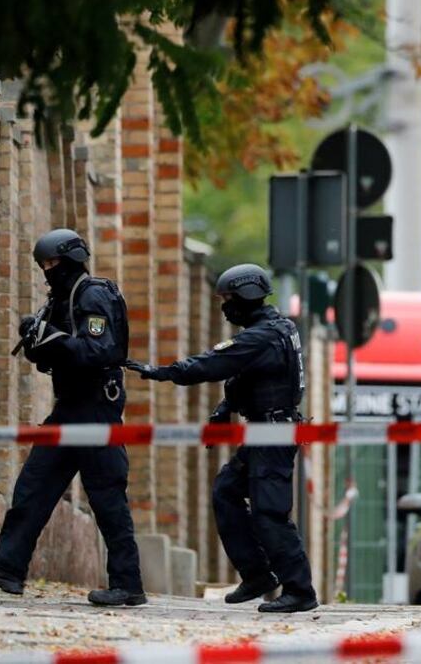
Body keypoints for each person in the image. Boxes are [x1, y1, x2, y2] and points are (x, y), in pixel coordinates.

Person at [0, 228, 144, 607]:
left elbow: (100, 350)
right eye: (43, 264)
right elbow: (48, 358)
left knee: (107, 499)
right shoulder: (59, 299)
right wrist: (36, 337)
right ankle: (7, 571)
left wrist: (52, 338)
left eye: (53, 263)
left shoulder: (93, 295)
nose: (48, 270)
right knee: (33, 488)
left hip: (95, 410)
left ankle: (128, 586)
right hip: (68, 409)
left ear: (72, 260)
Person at [126, 263, 317, 613]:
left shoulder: (263, 335)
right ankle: (258, 575)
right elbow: (248, 376)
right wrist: (223, 410)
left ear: (247, 295)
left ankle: (300, 590)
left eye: (228, 299)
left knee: (269, 513)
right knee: (226, 491)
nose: (225, 307)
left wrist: (163, 372)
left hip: (274, 433)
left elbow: (215, 363)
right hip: (265, 430)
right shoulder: (272, 331)